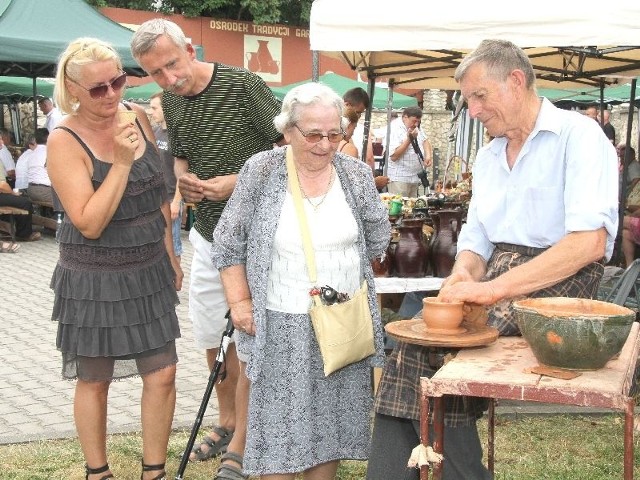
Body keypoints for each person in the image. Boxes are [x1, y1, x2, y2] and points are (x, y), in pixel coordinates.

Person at [367, 39, 618, 480]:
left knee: (444, 352)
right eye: (468, 99)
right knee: (412, 345)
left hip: (564, 279)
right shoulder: (487, 156)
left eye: (480, 96)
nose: (475, 110)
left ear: (516, 81)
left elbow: (588, 245)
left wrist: (490, 289)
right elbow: (478, 237)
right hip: (502, 271)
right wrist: (464, 270)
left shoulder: (579, 137)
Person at [211, 81, 391, 479]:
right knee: (278, 433)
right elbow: (227, 241)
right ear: (288, 131)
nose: (325, 144)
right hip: (280, 322)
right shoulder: (263, 169)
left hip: (341, 321)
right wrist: (240, 302)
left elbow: (378, 235)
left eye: (333, 134)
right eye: (313, 134)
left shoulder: (356, 174)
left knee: (330, 426)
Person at [130, 18, 285, 478]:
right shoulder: (172, 103)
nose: (169, 79)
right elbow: (181, 155)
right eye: (156, 73)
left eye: (172, 65)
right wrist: (184, 184)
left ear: (190, 48)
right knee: (208, 335)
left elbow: (288, 151)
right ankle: (228, 419)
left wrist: (236, 183)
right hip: (208, 234)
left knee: (250, 331)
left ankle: (246, 438)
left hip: (260, 234)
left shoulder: (244, 85)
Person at [47, 37, 183, 480]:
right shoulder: (64, 141)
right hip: (95, 277)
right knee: (95, 380)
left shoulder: (139, 118)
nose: (112, 95)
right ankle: (98, 472)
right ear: (72, 91)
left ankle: (154, 472)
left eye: (118, 82)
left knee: (162, 373)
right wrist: (121, 162)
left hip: (149, 268)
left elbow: (157, 197)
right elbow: (88, 222)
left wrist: (171, 256)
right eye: (97, 89)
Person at [149, 91, 183, 262]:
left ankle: (175, 282)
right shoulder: (154, 132)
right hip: (154, 199)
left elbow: (183, 172)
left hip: (170, 199)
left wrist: (176, 202)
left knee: (173, 246)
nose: (151, 112)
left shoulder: (177, 135)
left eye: (155, 108)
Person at [386, 106, 433, 197]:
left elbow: (425, 141)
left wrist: (428, 156)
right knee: (400, 208)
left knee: (413, 208)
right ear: (405, 117)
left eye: (418, 121)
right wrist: (409, 139)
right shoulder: (394, 128)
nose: (416, 124)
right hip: (399, 178)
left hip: (415, 177)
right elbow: (394, 156)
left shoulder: (415, 126)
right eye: (414, 121)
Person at [24, 128, 53, 205]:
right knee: (69, 199)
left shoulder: (31, 154)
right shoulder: (49, 152)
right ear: (49, 138)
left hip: (30, 190)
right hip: (45, 191)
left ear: (35, 140)